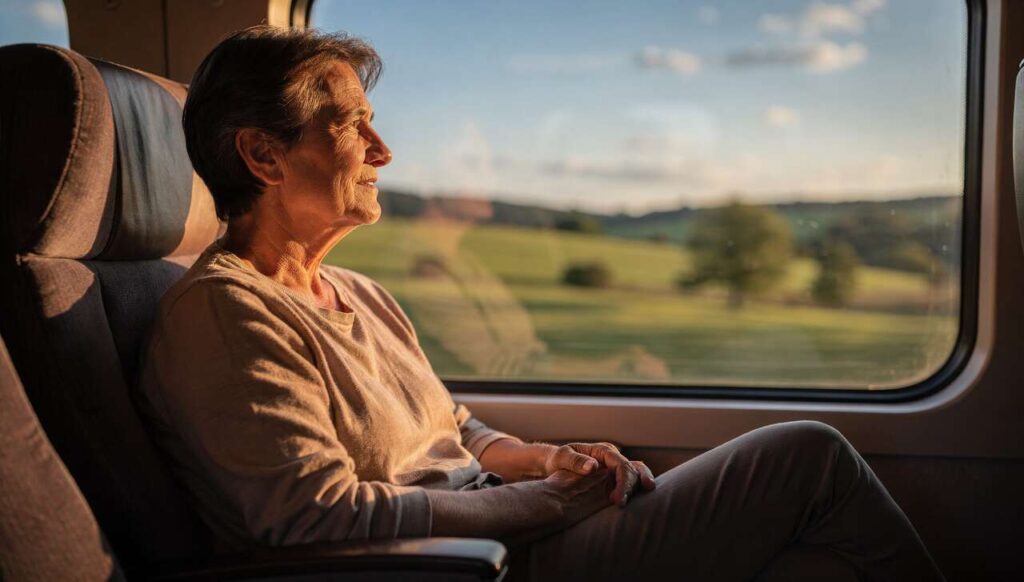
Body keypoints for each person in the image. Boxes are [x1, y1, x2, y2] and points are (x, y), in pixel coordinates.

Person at [138, 25, 945, 581]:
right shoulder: (224, 316)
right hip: (472, 566)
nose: (385, 151)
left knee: (812, 560)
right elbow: (315, 520)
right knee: (809, 456)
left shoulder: (358, 293)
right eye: (353, 126)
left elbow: (454, 430)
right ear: (263, 154)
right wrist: (543, 504)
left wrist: (546, 458)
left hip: (504, 523)